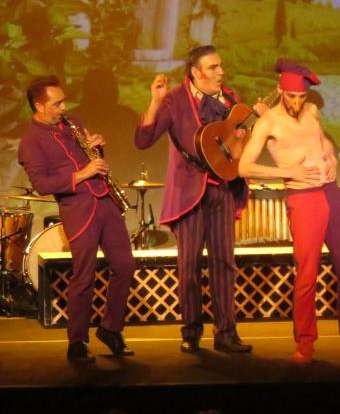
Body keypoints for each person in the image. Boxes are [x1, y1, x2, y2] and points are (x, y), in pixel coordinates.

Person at [238, 58, 340, 364]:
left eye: (301, 97)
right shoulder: (268, 122)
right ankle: (305, 343)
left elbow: (322, 143)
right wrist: (286, 172)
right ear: (281, 91)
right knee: (307, 274)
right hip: (303, 198)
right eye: (291, 96)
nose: (296, 103)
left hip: (330, 194)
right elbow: (244, 166)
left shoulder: (311, 111)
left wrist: (331, 157)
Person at [134, 45, 251, 354]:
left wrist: (250, 130)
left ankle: (226, 332)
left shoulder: (230, 98)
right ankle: (191, 331)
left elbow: (242, 139)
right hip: (190, 191)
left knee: (224, 262)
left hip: (222, 189)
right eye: (213, 68)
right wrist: (155, 102)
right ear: (196, 73)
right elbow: (143, 140)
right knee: (189, 265)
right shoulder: (174, 99)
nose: (220, 72)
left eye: (220, 66)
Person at [18, 75, 136, 363]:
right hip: (79, 210)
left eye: (63, 101)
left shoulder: (73, 123)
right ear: (39, 105)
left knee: (125, 265)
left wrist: (96, 148)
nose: (64, 107)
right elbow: (42, 184)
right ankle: (77, 342)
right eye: (57, 103)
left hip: (104, 201)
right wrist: (83, 173)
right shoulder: (30, 142)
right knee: (84, 274)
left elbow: (91, 158)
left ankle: (110, 329)